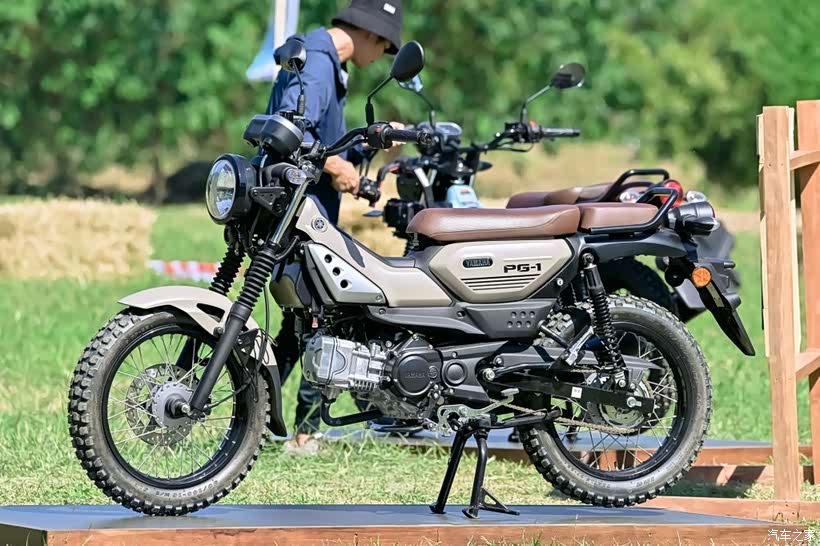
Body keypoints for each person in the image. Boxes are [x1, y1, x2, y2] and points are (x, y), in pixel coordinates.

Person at [268, 0, 405, 455]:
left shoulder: (325, 62)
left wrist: (370, 144)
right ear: (372, 34)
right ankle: (306, 433)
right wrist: (337, 167)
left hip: (306, 213)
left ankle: (260, 417)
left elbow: (326, 142)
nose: (380, 56)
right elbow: (294, 131)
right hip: (301, 215)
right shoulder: (318, 61)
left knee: (296, 326)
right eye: (384, 47)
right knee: (327, 317)